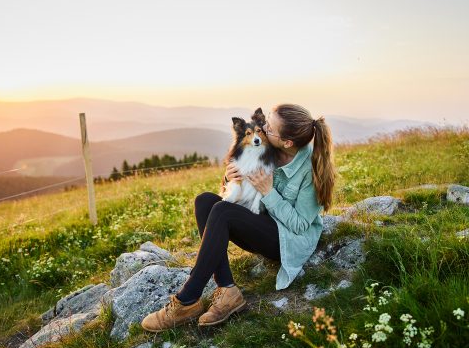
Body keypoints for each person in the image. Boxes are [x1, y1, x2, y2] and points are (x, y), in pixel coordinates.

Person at [141, 104, 335, 332]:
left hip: (287, 240)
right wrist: (229, 177)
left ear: (287, 142)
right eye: (266, 123)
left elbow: (300, 225)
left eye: (269, 128)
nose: (262, 128)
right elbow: (241, 188)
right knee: (205, 201)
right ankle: (227, 290)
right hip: (261, 223)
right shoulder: (265, 147)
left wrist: (268, 192)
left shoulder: (310, 167)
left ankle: (187, 300)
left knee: (223, 212)